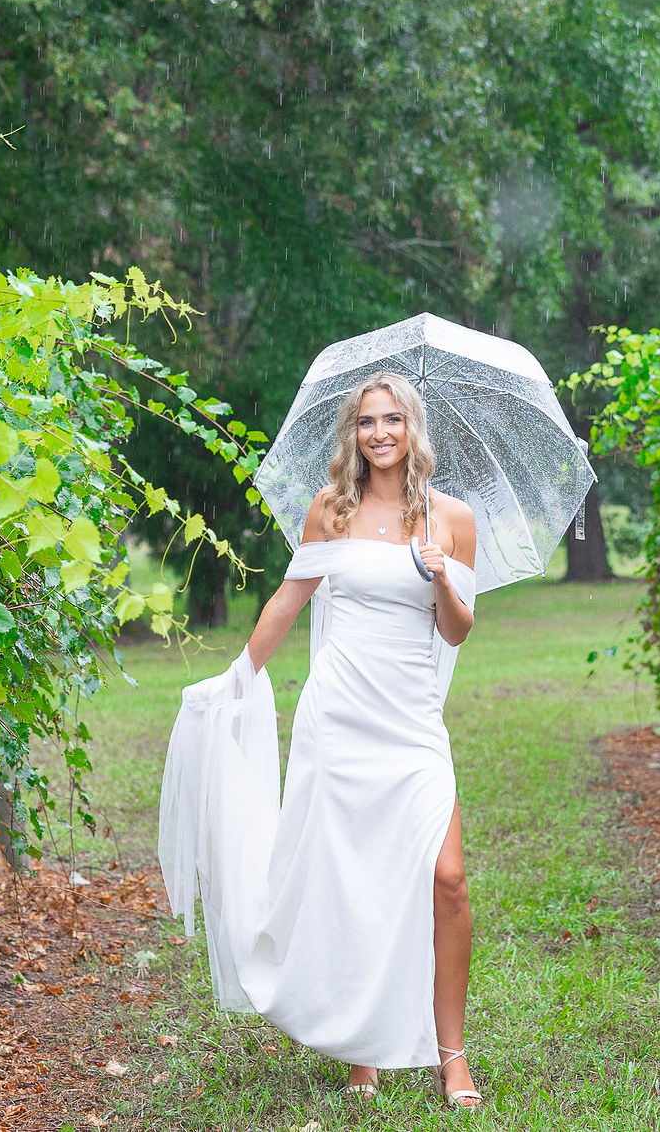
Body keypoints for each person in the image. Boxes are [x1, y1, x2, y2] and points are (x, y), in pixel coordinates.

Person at [159, 371, 484, 1109]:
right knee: (348, 880)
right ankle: (359, 1047)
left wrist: (439, 576)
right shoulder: (330, 511)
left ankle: (453, 1056)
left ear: (413, 428)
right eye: (366, 421)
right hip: (338, 716)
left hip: (409, 723)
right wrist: (240, 673)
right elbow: (288, 597)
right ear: (353, 433)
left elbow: (458, 628)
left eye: (392, 419)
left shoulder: (451, 519)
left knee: (448, 878)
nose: (379, 433)